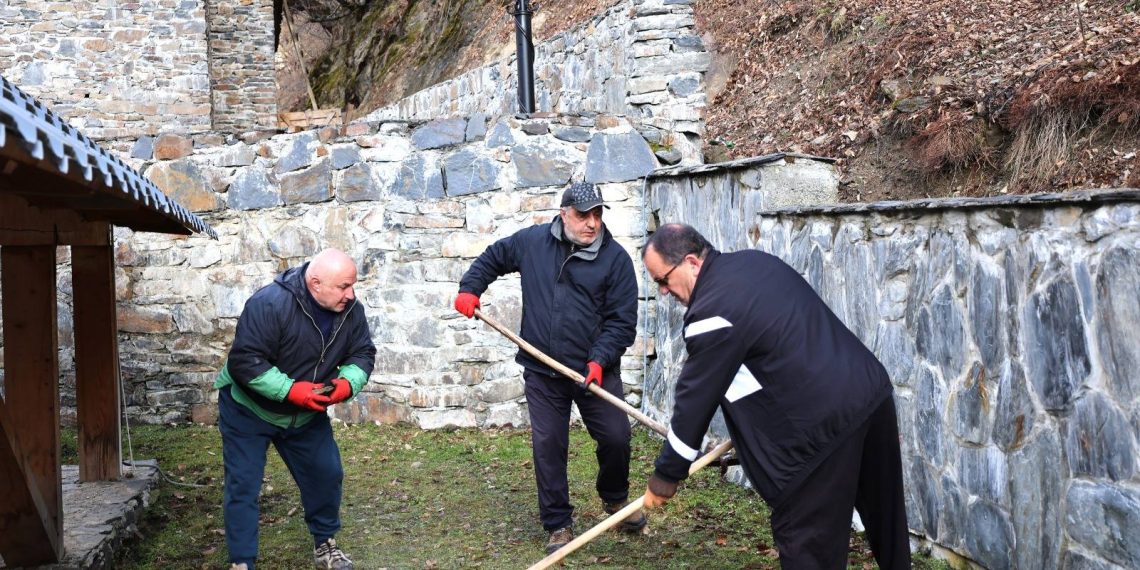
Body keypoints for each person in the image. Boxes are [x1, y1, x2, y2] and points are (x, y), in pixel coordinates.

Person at [640, 223, 910, 569]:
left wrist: (666, 475)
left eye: (663, 280)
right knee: (886, 520)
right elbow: (771, 359)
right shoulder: (755, 264)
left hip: (820, 432)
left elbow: (695, 402)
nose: (663, 291)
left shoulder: (711, 312)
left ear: (691, 262)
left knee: (809, 548)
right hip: (869, 393)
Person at [454, 181, 644, 554]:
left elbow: (622, 322)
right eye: (583, 215)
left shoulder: (616, 259)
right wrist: (470, 288)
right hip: (543, 370)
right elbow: (494, 257)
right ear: (564, 214)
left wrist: (599, 359)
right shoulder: (533, 243)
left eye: (597, 214)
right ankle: (558, 522)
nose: (592, 223)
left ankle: (614, 498)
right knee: (549, 444)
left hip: (594, 371)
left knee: (616, 436)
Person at [214, 248, 376, 570]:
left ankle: (325, 544)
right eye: (344, 286)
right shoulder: (269, 304)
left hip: (305, 413)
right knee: (244, 483)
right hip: (249, 410)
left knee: (326, 474)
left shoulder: (350, 311)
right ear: (315, 283)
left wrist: (346, 384)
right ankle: (241, 562)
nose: (351, 294)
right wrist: (291, 390)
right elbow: (246, 362)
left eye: (353, 285)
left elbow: (362, 353)